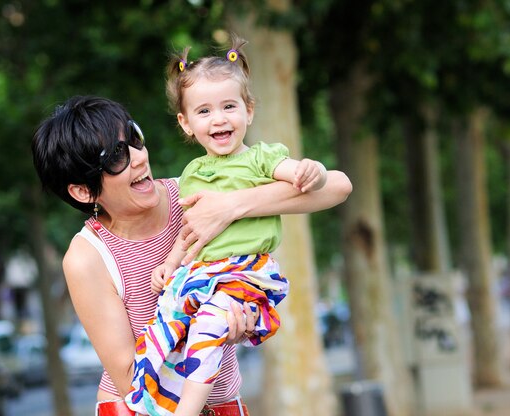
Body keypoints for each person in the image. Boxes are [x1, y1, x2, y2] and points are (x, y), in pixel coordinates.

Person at [31, 95, 351, 416]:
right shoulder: (88, 256)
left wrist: (230, 206)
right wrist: (214, 329)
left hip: (222, 403)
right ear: (83, 191)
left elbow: (337, 186)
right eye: (116, 157)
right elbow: (131, 377)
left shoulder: (195, 192)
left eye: (133, 138)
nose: (139, 158)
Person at [125, 35, 338, 416]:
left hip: (246, 272)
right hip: (200, 272)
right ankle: (146, 400)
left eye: (229, 106)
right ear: (186, 124)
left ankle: (186, 412)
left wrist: (313, 172)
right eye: (204, 112)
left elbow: (303, 177)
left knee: (207, 328)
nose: (219, 118)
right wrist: (171, 263)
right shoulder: (193, 173)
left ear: (249, 111)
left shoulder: (260, 159)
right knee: (165, 323)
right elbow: (189, 229)